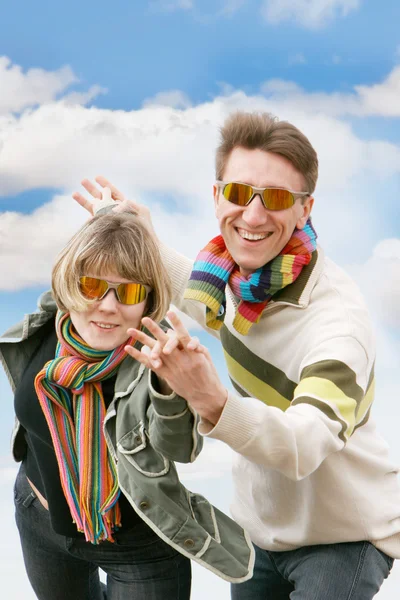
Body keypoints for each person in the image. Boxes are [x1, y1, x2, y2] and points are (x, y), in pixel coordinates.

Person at [73, 111, 400, 600]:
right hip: (259, 530)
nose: (251, 215)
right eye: (239, 193)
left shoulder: (338, 324)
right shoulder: (235, 284)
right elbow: (191, 289)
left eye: (277, 200)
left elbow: (302, 447)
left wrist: (209, 399)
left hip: (344, 536)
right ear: (217, 196)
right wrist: (139, 234)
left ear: (305, 210)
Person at [0, 211, 254, 600]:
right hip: (40, 520)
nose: (107, 306)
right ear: (71, 286)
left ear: (148, 300)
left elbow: (180, 450)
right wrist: (114, 217)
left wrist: (172, 389)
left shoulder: (158, 360)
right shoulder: (49, 325)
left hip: (137, 547)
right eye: (92, 286)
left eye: (129, 292)